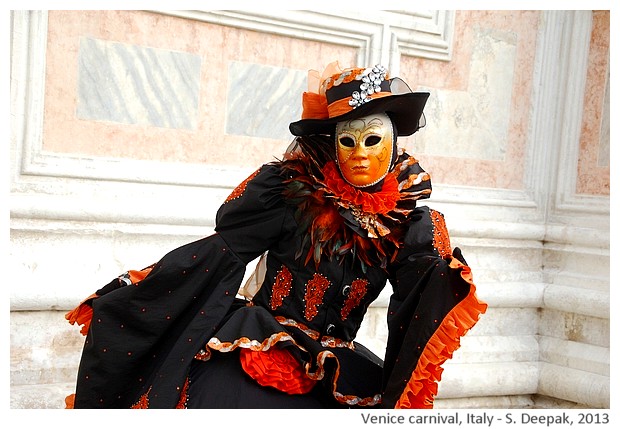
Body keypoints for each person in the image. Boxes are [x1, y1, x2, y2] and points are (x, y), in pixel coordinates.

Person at [64, 61, 487, 409]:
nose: (359, 153)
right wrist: (143, 297)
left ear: (394, 145)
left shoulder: (408, 225)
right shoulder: (289, 195)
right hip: (256, 347)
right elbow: (224, 252)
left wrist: (444, 274)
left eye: (372, 139)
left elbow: (417, 299)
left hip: (336, 369)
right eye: (348, 140)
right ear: (331, 143)